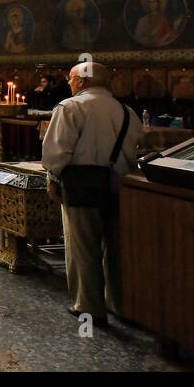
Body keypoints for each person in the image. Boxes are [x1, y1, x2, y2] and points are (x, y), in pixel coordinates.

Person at [42, 60, 141, 324]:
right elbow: (135, 148)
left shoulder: (70, 107)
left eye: (72, 78)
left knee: (83, 245)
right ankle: (119, 304)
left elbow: (58, 149)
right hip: (120, 184)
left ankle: (88, 306)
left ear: (82, 81)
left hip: (82, 183)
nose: (69, 82)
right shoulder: (127, 111)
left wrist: (52, 177)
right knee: (116, 245)